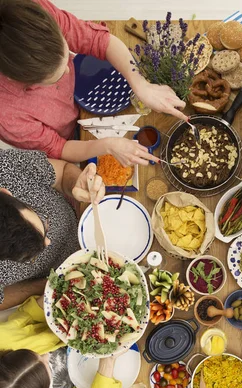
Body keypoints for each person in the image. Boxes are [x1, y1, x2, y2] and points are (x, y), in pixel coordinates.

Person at [0, 0, 187, 165]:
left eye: (66, 58)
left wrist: (141, 85)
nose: (67, 70)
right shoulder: (7, 114)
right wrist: (107, 145)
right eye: (54, 78)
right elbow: (58, 148)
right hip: (71, 137)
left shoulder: (31, 15)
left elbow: (99, 41)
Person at [0, 294, 122, 388]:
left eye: (36, 354)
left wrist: (58, 301)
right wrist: (108, 362)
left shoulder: (2, 338)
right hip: (99, 373)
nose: (46, 355)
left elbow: (29, 314)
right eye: (45, 364)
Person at [0, 150, 105, 310]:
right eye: (28, 257)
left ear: (5, 191)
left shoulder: (6, 167)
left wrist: (78, 184)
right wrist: (52, 282)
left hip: (86, 219)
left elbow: (63, 172)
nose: (48, 242)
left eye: (43, 219)